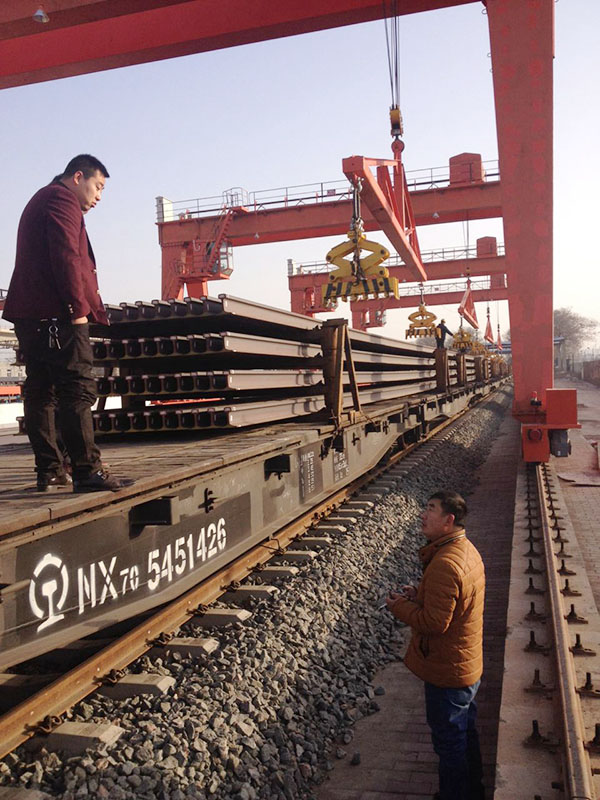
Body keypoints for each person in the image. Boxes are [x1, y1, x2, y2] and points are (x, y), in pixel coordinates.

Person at [3, 154, 133, 493]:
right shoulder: (62, 200)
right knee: (77, 387)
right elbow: (66, 256)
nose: (99, 196)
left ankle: (50, 471)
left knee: (41, 390)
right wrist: (77, 309)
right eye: (98, 186)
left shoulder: (42, 198)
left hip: (32, 315)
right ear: (78, 177)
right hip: (58, 315)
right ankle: (87, 470)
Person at [386, 490, 485, 800]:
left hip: (448, 672)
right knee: (465, 732)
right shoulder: (464, 549)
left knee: (449, 743)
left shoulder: (445, 563)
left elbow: (434, 623)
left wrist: (399, 607)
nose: (423, 514)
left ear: (448, 520)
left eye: (430, 509)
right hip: (465, 664)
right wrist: (420, 595)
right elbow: (455, 603)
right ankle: (474, 790)